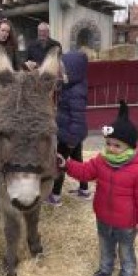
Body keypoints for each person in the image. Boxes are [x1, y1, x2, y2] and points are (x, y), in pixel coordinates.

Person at [57, 101, 138, 276]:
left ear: (130, 146)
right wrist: (66, 165)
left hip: (126, 223)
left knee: (126, 250)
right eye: (108, 143)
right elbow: (85, 172)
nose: (111, 148)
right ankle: (105, 269)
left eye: (117, 145)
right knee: (105, 245)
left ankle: (127, 275)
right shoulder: (101, 161)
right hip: (103, 216)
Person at [47, 50, 91, 207]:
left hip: (69, 135)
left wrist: (71, 140)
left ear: (73, 70)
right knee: (78, 161)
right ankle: (84, 190)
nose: (60, 71)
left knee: (59, 163)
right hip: (74, 133)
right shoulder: (73, 84)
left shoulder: (75, 92)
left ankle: (55, 196)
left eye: (63, 69)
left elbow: (77, 118)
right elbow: (61, 84)